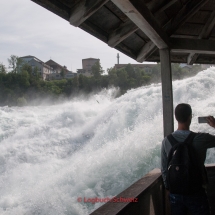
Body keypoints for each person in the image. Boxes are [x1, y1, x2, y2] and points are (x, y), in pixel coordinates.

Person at [161, 103, 215, 215]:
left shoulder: (166, 141)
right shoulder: (201, 138)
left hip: (175, 194)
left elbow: (164, 169)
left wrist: (169, 189)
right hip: (196, 191)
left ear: (176, 118)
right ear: (190, 117)